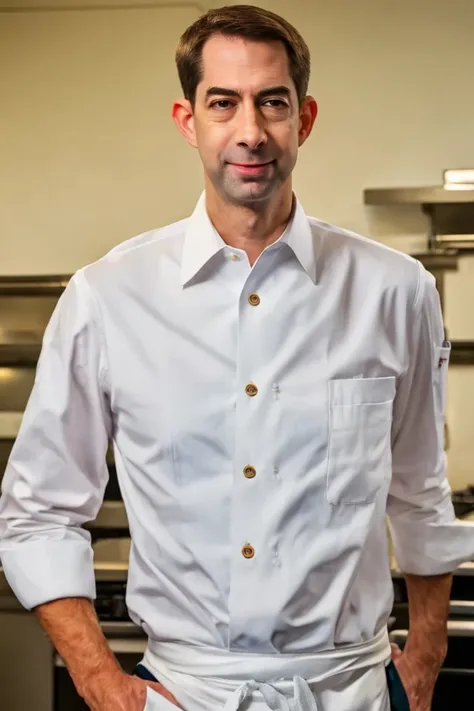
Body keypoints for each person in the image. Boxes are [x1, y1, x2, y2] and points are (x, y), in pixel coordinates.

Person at [0, 4, 473, 711]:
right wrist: (102, 684)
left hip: (352, 690)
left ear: (304, 118)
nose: (250, 131)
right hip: (186, 693)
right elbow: (37, 511)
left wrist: (427, 654)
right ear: (188, 120)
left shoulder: (396, 292)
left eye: (272, 102)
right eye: (223, 103)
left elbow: (420, 495)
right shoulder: (106, 297)